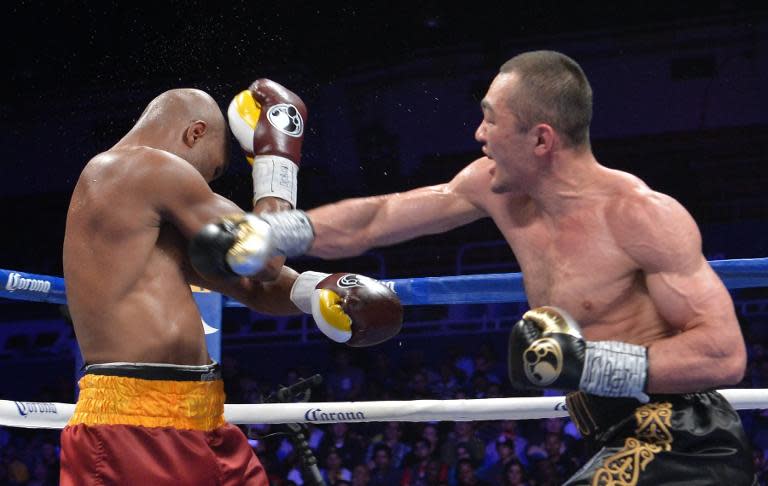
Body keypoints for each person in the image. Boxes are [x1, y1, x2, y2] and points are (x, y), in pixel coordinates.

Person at [245, 50, 755, 484]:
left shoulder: (640, 216)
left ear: (541, 140)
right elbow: (379, 218)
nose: (478, 132)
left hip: (687, 440)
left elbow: (724, 354)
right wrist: (273, 232)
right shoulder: (494, 187)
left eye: (491, 118)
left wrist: (590, 363)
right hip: (619, 439)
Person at [60, 82, 401, 485]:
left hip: (197, 417)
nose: (208, 182)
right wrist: (276, 160)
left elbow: (255, 285)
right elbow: (268, 251)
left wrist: (321, 292)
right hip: (134, 426)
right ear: (195, 133)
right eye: (215, 169)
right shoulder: (137, 167)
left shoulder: (146, 218)